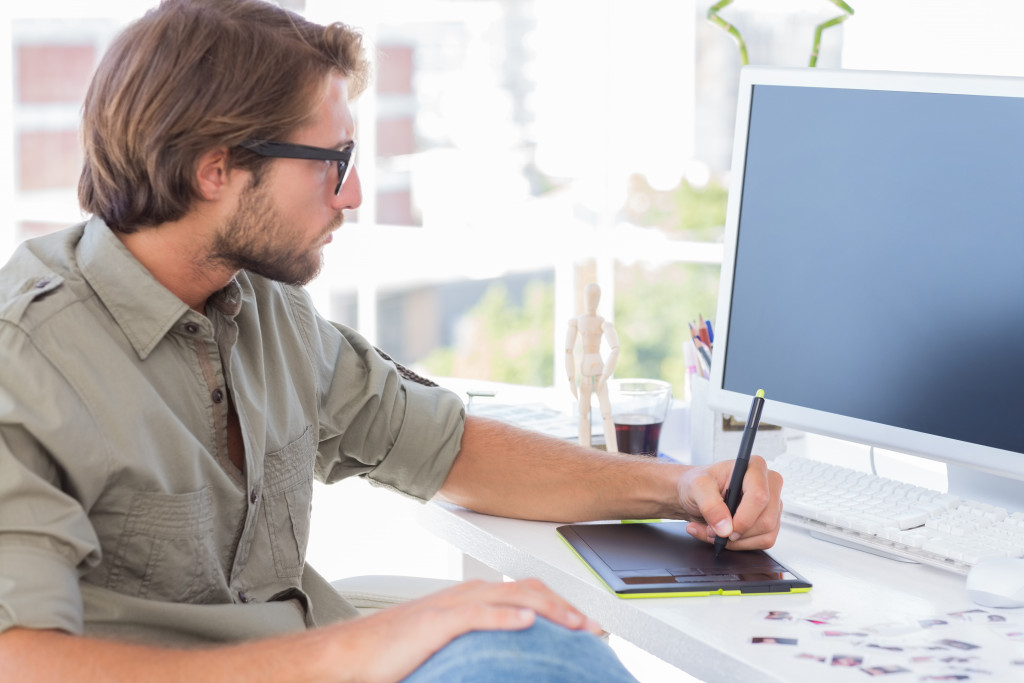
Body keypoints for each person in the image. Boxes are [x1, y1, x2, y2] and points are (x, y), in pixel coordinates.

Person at [0, 1, 784, 681]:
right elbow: (20, 659)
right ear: (218, 170)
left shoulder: (263, 307)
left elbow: (446, 448)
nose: (355, 193)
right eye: (333, 161)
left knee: (539, 630)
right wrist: (355, 651)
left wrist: (678, 488)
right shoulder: (27, 356)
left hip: (306, 649)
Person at [565, 282, 619, 451]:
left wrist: (605, 375)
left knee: (606, 414)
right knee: (583, 414)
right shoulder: (578, 322)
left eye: (594, 297)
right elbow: (568, 350)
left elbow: (615, 348)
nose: (591, 301)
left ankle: (613, 453)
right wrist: (571, 380)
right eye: (589, 297)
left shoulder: (602, 322)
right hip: (587, 375)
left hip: (598, 372)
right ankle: (585, 452)